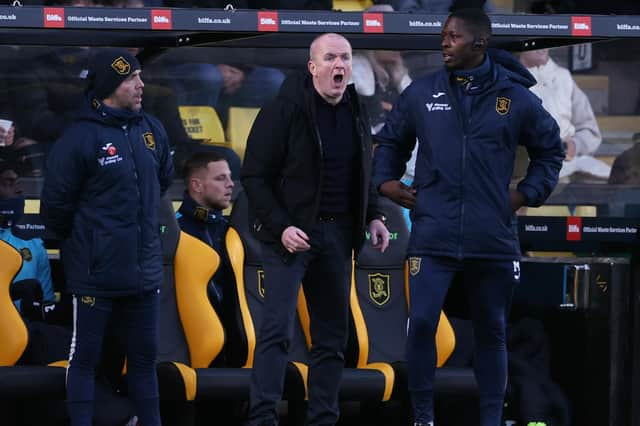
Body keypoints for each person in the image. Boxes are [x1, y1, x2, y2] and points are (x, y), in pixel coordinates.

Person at [372, 9, 563, 426]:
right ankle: (423, 418)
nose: (444, 42)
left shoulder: (515, 98)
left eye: (453, 36)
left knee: (492, 330)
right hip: (433, 233)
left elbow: (551, 151)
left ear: (479, 43)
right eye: (443, 35)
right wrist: (385, 181)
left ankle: (491, 419)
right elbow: (390, 141)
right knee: (421, 324)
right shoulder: (422, 93)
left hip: (490, 238)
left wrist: (524, 195)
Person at [241, 32, 390, 426]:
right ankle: (262, 418)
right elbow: (255, 177)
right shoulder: (283, 110)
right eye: (329, 58)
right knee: (276, 334)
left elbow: (363, 172)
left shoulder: (356, 109)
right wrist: (282, 227)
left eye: (344, 58)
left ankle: (323, 418)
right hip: (290, 239)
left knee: (331, 339)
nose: (338, 65)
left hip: (339, 236)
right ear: (312, 66)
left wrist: (373, 214)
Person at [41, 48, 174, 426]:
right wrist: (88, 249)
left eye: (139, 76)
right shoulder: (79, 137)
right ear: (109, 86)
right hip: (95, 274)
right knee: (85, 359)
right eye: (131, 78)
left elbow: (162, 179)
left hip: (144, 272)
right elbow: (56, 207)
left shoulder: (152, 129)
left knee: (146, 360)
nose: (141, 84)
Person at [520, 48, 611, 181]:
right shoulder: (511, 78)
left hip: (571, 162)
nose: (543, 47)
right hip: (532, 166)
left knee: (613, 181)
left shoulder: (563, 77)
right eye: (536, 38)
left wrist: (575, 145)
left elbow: (589, 129)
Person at [176, 151, 234, 317]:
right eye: (220, 178)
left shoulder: (232, 229)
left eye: (230, 177)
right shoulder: (175, 231)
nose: (230, 184)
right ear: (197, 186)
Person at [0, 161, 55, 314]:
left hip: (24, 332)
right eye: (9, 183)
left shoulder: (34, 244)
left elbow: (46, 304)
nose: (19, 190)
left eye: (18, 183)